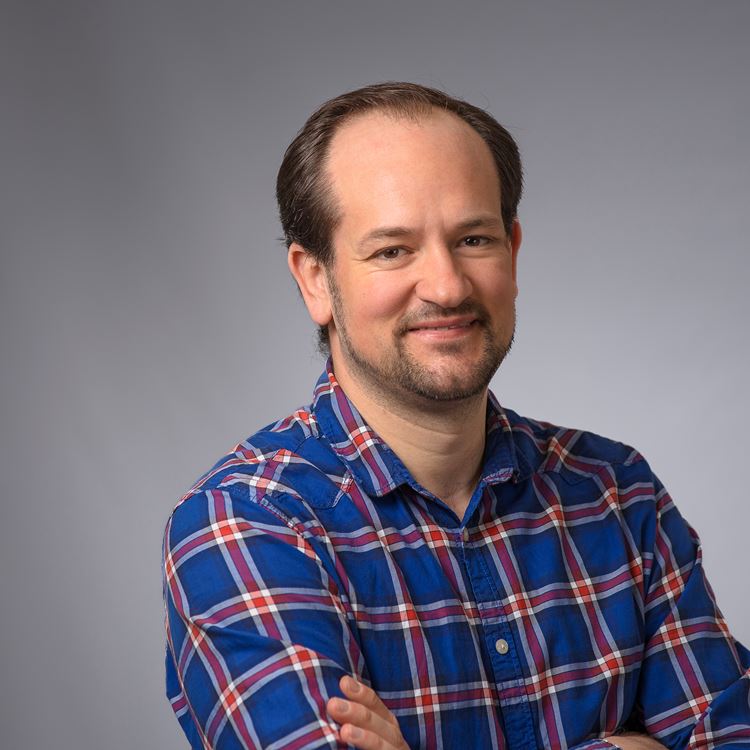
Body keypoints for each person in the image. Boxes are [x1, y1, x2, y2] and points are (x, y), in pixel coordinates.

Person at [163, 82, 750, 749]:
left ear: (513, 252)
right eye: (392, 250)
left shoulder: (615, 491)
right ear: (315, 279)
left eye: (473, 238)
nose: (446, 286)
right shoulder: (247, 523)